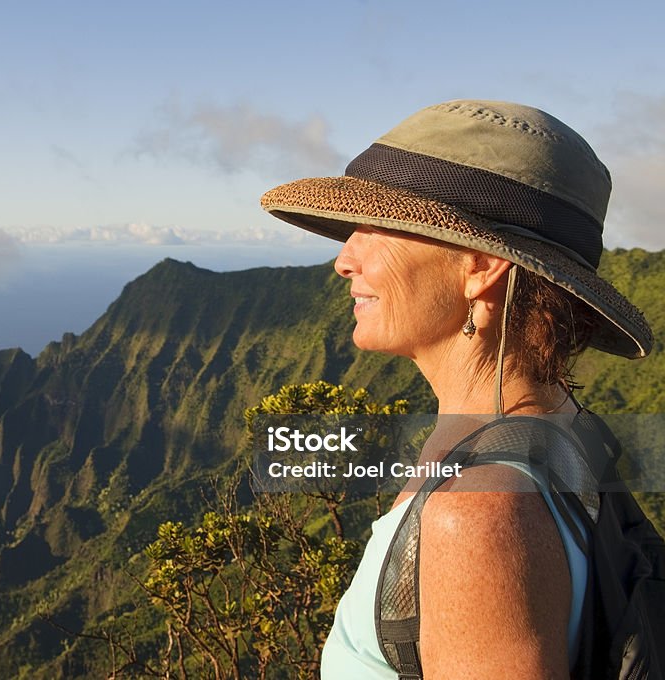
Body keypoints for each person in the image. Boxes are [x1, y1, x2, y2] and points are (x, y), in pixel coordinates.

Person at [260, 100, 654, 679]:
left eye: (377, 228)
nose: (344, 259)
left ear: (480, 266)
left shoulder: (475, 517)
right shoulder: (564, 430)